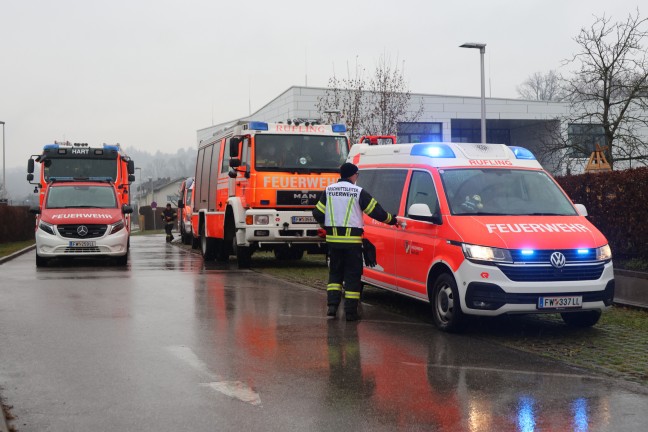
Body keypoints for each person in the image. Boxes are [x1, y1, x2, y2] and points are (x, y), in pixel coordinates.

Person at [312, 162, 398, 321]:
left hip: (333, 242)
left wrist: (328, 225)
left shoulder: (329, 190)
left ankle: (332, 308)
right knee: (352, 276)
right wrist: (392, 220)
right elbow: (376, 212)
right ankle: (350, 313)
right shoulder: (358, 192)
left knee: (335, 274)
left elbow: (317, 212)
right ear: (353, 175)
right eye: (357, 175)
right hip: (352, 243)